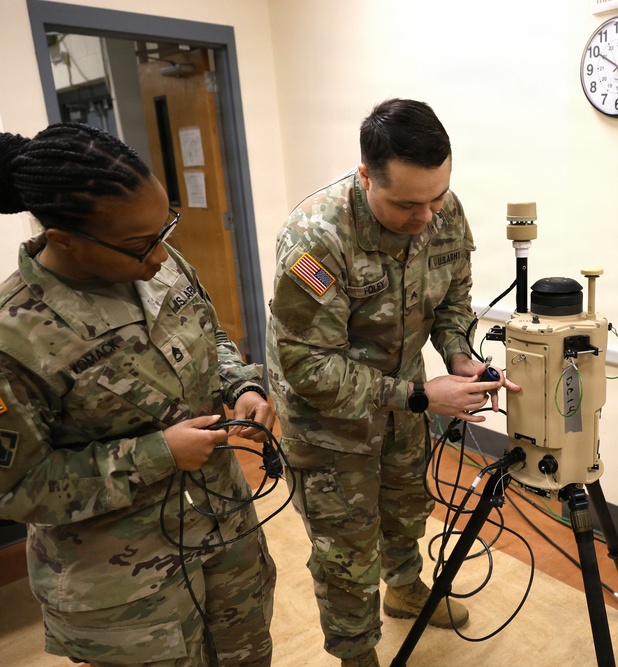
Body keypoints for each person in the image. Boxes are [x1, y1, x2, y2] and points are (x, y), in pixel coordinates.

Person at [0, 123, 277, 667]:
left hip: (225, 534)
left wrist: (239, 384)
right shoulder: (16, 339)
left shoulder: (159, 265)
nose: (159, 255)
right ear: (64, 240)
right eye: (139, 245)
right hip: (128, 591)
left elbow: (210, 332)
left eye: (164, 229)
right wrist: (156, 454)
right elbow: (18, 488)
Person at [266, 98, 519, 667]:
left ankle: (405, 589)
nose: (427, 215)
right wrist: (422, 395)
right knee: (346, 550)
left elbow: (454, 297)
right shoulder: (315, 241)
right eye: (408, 204)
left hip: (404, 399)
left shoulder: (441, 209)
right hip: (328, 421)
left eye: (436, 196)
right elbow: (309, 368)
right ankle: (358, 655)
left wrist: (456, 355)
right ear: (365, 177)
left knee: (406, 503)